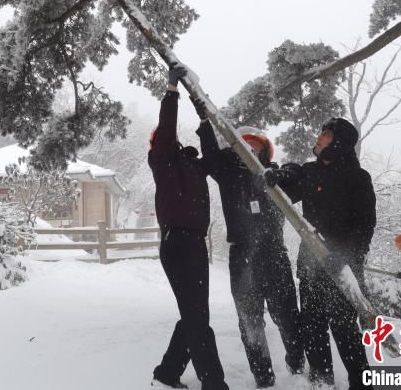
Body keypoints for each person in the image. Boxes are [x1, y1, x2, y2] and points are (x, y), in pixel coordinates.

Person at [193, 100, 303, 388]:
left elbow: (299, 177)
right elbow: (212, 156)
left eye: (255, 145)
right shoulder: (228, 175)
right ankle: (264, 379)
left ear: (265, 150)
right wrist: (205, 123)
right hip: (242, 256)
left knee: (288, 317)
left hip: (274, 254)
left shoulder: (274, 176)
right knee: (250, 323)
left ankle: (297, 364)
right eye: (244, 145)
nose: (250, 150)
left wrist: (280, 175)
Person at [264, 118, 376, 390]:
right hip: (310, 266)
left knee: (345, 331)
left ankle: (362, 385)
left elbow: (365, 225)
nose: (318, 137)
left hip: (341, 268)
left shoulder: (357, 177)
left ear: (339, 142)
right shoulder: (311, 172)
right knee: (312, 327)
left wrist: (346, 256)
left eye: (325, 134)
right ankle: (321, 381)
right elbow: (289, 183)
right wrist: (276, 176)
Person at [148, 63, 228, 390]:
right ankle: (214, 384)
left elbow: (216, 160)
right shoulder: (161, 160)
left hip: (195, 243)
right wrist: (172, 92)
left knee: (195, 315)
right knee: (197, 317)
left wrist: (205, 120)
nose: (159, 138)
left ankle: (167, 373)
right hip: (177, 243)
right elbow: (166, 130)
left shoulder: (193, 166)